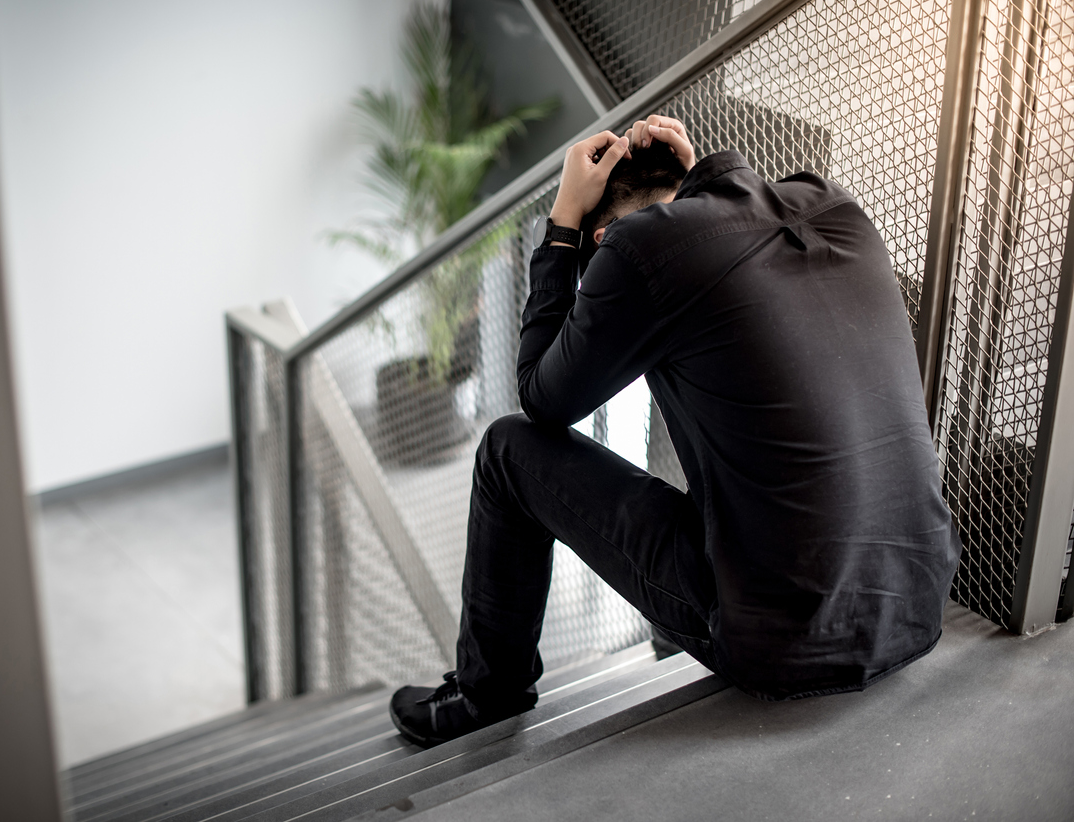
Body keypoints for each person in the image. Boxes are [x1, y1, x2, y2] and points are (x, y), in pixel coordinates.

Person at [389, 116, 962, 748]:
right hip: (921, 599)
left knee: (506, 448)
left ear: (603, 239)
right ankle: (660, 638)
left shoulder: (636, 250)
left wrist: (560, 227)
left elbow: (540, 400)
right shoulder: (833, 204)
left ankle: (485, 694)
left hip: (788, 638)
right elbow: (710, 230)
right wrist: (695, 184)